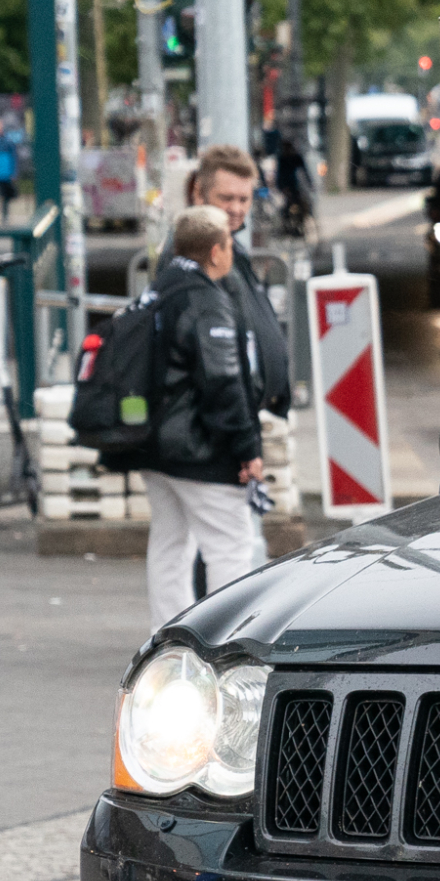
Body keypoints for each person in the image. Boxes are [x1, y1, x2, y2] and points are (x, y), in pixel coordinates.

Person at [140, 205, 265, 632]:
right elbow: (224, 380)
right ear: (215, 251)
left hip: (155, 447)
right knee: (230, 547)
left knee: (170, 545)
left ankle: (167, 636)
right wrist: (247, 449)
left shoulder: (157, 291)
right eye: (229, 244)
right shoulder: (206, 300)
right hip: (199, 448)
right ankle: (224, 641)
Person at [183, 143, 293, 419]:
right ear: (199, 194)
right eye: (226, 198)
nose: (236, 209)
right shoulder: (195, 255)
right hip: (227, 430)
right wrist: (242, 435)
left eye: (244, 199)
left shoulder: (230, 247)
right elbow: (213, 358)